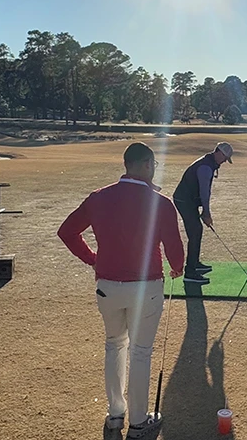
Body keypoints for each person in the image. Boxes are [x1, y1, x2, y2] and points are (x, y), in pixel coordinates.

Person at [58, 142, 185, 439]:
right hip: (147, 287)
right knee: (140, 352)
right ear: (147, 165)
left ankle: (116, 414)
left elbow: (67, 232)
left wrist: (93, 259)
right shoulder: (161, 202)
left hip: (107, 287)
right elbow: (175, 252)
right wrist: (177, 269)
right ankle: (138, 421)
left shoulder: (99, 197)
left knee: (114, 345)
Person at [172, 142, 233, 285]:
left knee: (196, 231)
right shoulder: (206, 167)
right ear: (219, 152)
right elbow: (204, 192)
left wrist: (205, 211)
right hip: (183, 200)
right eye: (225, 157)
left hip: (189, 200)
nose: (224, 161)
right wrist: (206, 213)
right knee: (195, 231)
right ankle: (190, 272)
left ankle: (195, 264)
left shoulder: (210, 163)